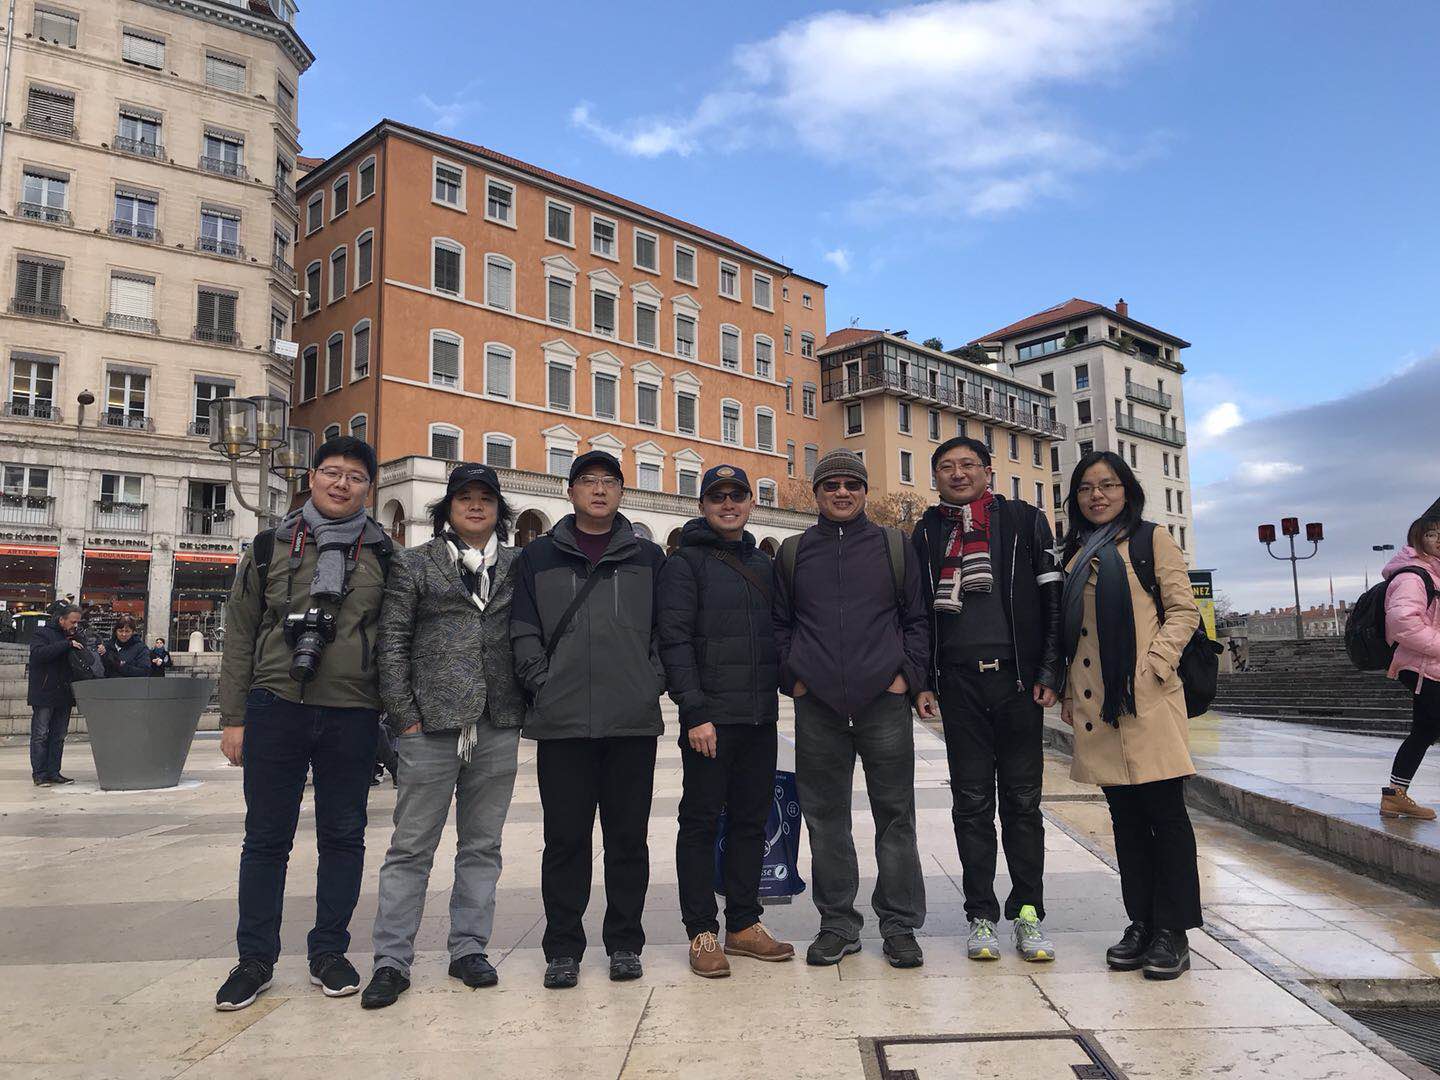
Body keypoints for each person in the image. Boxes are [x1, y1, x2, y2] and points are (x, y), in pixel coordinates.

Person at [214, 436, 394, 1011]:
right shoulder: (270, 546)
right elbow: (241, 632)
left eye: (355, 477)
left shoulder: (385, 553)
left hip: (353, 710)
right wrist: (234, 717)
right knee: (266, 839)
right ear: (311, 477)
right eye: (332, 472)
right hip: (276, 704)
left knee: (344, 836)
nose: (342, 484)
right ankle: (254, 959)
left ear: (370, 489)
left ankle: (329, 951)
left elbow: (396, 638)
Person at [360, 464, 526, 1009]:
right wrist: (404, 718)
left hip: (497, 723)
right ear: (447, 509)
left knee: (483, 845)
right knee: (411, 847)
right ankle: (391, 960)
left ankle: (469, 948)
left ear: (499, 511)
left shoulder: (518, 566)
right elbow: (392, 643)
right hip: (428, 726)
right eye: (465, 498)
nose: (476, 506)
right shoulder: (415, 563)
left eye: (486, 499)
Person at [772, 449, 936, 969]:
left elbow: (917, 619)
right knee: (825, 819)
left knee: (896, 817)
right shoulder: (794, 552)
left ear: (865, 491)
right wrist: (794, 679)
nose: (842, 492)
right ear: (817, 494)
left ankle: (899, 925)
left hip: (883, 703)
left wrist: (905, 678)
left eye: (851, 484)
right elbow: (779, 624)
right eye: (831, 485)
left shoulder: (893, 546)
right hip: (817, 705)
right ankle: (838, 923)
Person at [510, 450, 668, 990]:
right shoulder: (537, 557)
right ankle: (562, 948)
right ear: (570, 490)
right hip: (563, 722)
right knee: (565, 842)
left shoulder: (648, 557)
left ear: (622, 492)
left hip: (631, 720)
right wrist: (542, 680)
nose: (599, 490)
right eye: (588, 481)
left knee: (628, 841)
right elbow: (523, 628)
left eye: (609, 481)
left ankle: (625, 943)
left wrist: (650, 680)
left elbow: (666, 629)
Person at [910, 436, 1064, 963]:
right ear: (935, 476)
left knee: (1022, 803)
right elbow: (918, 612)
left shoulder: (1024, 521)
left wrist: (1050, 669)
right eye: (946, 467)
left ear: (988, 470)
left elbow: (1052, 598)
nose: (958, 474)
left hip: (1017, 683)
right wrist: (923, 680)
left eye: (967, 464)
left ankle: (1028, 913)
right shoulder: (927, 531)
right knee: (971, 805)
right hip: (959, 685)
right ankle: (980, 914)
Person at [1059, 450, 1201, 981]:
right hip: (1098, 703)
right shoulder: (1074, 552)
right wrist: (1069, 691)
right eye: (1086, 488)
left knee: (1166, 815)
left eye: (1108, 485)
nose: (1097, 495)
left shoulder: (1150, 540)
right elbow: (1072, 633)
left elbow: (1183, 610)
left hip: (1147, 698)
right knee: (1125, 821)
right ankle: (1140, 921)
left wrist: (1155, 665)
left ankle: (1173, 930)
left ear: (1127, 491)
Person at [658, 464, 794, 979]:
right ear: (703, 506)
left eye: (737, 495)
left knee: (749, 822)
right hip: (709, 721)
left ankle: (743, 923)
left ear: (751, 504)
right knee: (698, 822)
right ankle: (701, 930)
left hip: (759, 717)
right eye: (718, 497)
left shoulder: (763, 564)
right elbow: (674, 640)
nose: (729, 504)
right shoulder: (684, 564)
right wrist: (694, 711)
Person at [1379, 501, 1440, 820]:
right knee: (1426, 729)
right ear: (1418, 539)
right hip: (1422, 666)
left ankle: (1395, 795)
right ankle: (1394, 795)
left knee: (1425, 731)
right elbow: (1403, 623)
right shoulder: (1413, 577)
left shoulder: (1434, 574)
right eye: (1432, 534)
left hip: (1430, 666)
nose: (1439, 540)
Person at [28, 604, 83, 786]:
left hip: (64, 693)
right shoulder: (42, 634)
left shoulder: (75, 636)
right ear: (61, 619)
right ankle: (40, 774)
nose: (75, 625)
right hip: (44, 692)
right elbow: (38, 654)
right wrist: (66, 644)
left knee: (59, 736)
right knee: (41, 735)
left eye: (78, 622)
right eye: (73, 622)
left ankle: (54, 772)